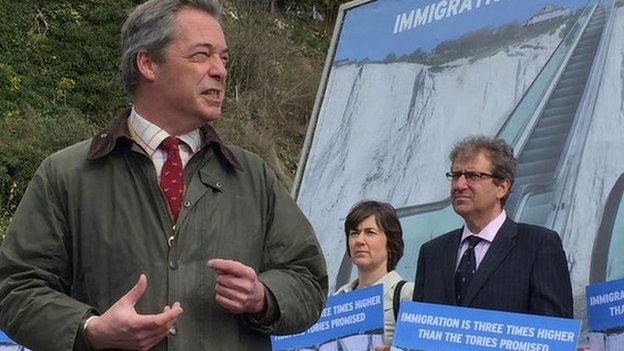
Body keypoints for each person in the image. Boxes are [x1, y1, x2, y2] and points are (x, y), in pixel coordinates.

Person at [0, 1, 327, 350]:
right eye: (202, 55)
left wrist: (263, 296)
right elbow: (15, 289)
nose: (220, 71)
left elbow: (307, 278)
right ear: (148, 63)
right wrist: (89, 328)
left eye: (224, 58)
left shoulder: (253, 177)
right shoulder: (67, 174)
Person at [413, 136, 573, 317]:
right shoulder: (432, 253)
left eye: (473, 175)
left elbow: (552, 332)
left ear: (502, 188)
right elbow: (418, 333)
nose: (459, 185)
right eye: (456, 175)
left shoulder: (538, 245)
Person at [336, 201, 414, 351]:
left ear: (390, 244)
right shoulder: (338, 298)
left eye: (370, 232)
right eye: (354, 233)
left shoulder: (407, 295)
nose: (359, 241)